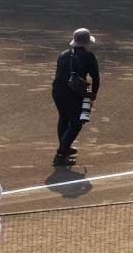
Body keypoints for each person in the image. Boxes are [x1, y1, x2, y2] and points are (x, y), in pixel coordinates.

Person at [51, 28, 100, 166]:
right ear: (86, 43)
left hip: (57, 91)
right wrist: (93, 97)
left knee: (63, 118)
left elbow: (59, 74)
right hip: (72, 92)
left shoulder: (63, 54)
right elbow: (96, 78)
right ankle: (60, 154)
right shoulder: (89, 56)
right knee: (76, 123)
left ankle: (65, 148)